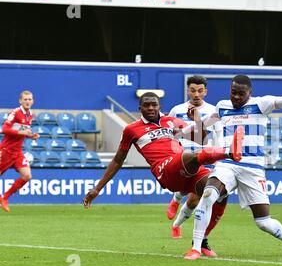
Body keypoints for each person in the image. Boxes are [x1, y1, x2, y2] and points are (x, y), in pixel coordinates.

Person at [183, 75, 282, 260]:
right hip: (227, 164)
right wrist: (196, 120)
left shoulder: (261, 104)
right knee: (208, 196)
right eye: (233, 92)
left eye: (240, 94)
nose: (236, 97)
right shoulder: (222, 106)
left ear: (249, 93)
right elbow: (204, 127)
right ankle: (195, 248)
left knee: (263, 222)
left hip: (252, 168)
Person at [82, 93, 244, 239]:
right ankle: (229, 153)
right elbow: (118, 160)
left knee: (219, 190)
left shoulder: (171, 121)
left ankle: (202, 242)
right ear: (140, 108)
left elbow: (202, 140)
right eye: (147, 105)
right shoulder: (131, 130)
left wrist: (196, 119)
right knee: (189, 155)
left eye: (154, 104)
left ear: (160, 106)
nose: (151, 108)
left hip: (185, 169)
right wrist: (97, 188)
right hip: (165, 171)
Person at [166, 75, 225, 244]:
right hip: (183, 157)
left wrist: (218, 155)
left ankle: (176, 224)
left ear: (205, 91)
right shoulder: (177, 110)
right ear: (187, 91)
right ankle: (176, 199)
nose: (196, 94)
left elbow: (219, 133)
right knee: (185, 190)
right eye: (193, 90)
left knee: (194, 199)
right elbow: (169, 132)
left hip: (205, 157)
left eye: (200, 90)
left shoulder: (214, 111)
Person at [0, 90, 39, 212]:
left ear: (32, 101)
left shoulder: (30, 115)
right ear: (20, 101)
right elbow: (4, 128)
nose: (27, 101)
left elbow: (22, 131)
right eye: (25, 99)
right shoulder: (15, 112)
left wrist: (30, 136)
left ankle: (5, 197)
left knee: (27, 176)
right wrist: (22, 132)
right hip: (6, 151)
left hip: (17, 152)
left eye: (29, 99)